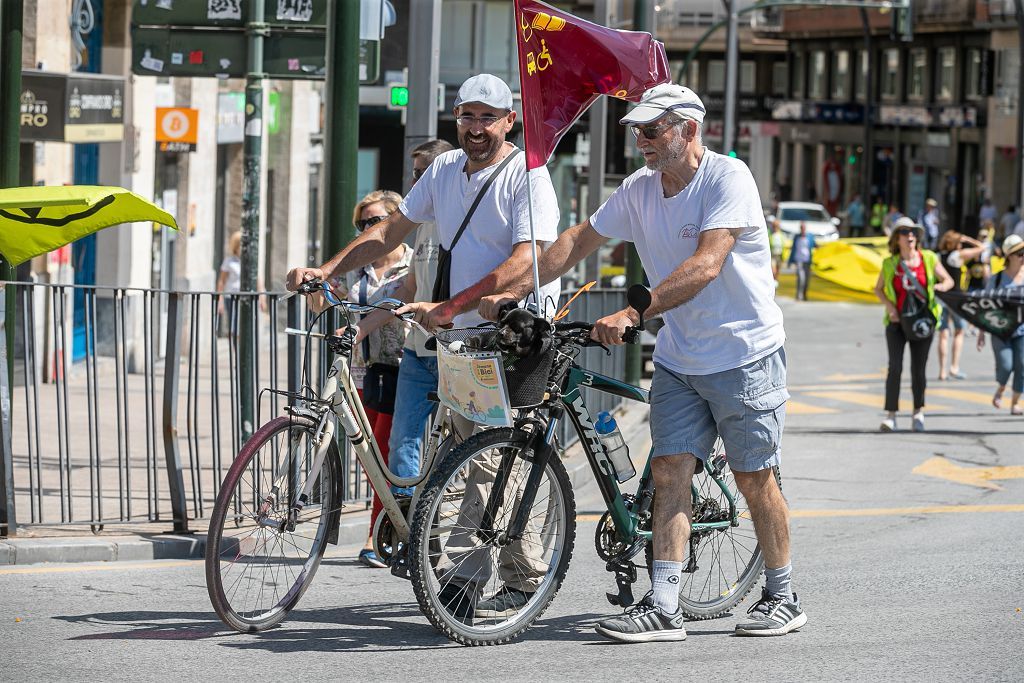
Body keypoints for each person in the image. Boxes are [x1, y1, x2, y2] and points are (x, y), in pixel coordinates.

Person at [482, 83, 803, 642]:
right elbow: (578, 240)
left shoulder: (728, 179)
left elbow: (706, 265)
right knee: (669, 471)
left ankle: (783, 594)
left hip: (743, 353)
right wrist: (517, 288)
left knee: (754, 477)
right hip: (681, 357)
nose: (641, 141)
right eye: (637, 130)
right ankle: (664, 606)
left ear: (689, 130)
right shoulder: (638, 189)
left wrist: (633, 313)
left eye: (652, 130)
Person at [287, 74, 559, 613]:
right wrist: (326, 268)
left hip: (512, 332)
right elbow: (390, 232)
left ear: (510, 121)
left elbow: (526, 260)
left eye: (488, 117)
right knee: (466, 453)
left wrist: (450, 307)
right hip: (456, 334)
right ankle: (514, 572)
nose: (476, 128)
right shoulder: (442, 169)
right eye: (466, 116)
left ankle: (470, 578)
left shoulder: (528, 175)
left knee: (488, 457)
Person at [310, 190, 412, 568]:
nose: (367, 229)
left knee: (383, 452)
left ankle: (378, 535)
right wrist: (319, 289)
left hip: (403, 368)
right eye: (362, 223)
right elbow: (330, 304)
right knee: (369, 456)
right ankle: (395, 524)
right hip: (363, 370)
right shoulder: (359, 270)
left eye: (374, 222)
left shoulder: (413, 267)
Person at [377, 139, 454, 504]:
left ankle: (439, 519)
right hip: (417, 349)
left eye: (423, 173)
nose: (415, 181)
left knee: (458, 444)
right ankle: (408, 523)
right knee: (402, 439)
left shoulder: (458, 220)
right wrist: (360, 325)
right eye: (414, 173)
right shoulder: (422, 224)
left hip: (456, 350)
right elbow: (409, 287)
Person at [873, 217, 954, 433]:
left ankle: (918, 412)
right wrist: (890, 308)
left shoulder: (928, 258)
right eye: (905, 232)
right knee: (895, 368)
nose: (910, 236)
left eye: (914, 232)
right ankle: (891, 416)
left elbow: (948, 280)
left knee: (918, 369)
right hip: (897, 323)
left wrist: (940, 287)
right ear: (896, 239)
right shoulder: (890, 263)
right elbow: (878, 288)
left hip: (922, 322)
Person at [976, 234, 1024, 415]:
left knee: (1022, 365)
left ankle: (1015, 402)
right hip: (1000, 329)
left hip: (1021, 330)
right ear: (1009, 256)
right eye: (1020, 253)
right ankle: (1002, 386)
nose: (1023, 256)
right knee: (1006, 365)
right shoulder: (996, 280)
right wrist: (981, 332)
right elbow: (984, 306)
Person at [935, 229, 986, 380]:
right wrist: (968, 239)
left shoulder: (938, 256)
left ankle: (942, 371)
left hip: (940, 297)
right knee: (959, 331)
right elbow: (982, 248)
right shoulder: (957, 256)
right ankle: (954, 367)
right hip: (956, 298)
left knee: (943, 334)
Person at [215, 231, 242, 337]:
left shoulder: (247, 260)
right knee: (234, 326)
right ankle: (236, 350)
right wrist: (220, 300)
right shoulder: (229, 261)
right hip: (231, 297)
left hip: (245, 297)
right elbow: (221, 281)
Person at [788, 222, 815, 301]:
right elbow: (793, 249)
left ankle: (804, 295)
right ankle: (798, 295)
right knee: (801, 278)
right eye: (801, 228)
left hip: (807, 261)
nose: (802, 229)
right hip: (799, 260)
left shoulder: (809, 237)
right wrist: (790, 261)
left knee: (807, 279)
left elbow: (814, 245)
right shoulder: (797, 237)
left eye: (804, 228)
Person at [769, 218, 784, 288]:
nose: (775, 227)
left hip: (779, 255)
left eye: (776, 226)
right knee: (773, 271)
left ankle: (775, 283)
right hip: (773, 255)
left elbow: (783, 246)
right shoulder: (771, 235)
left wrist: (783, 257)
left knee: (777, 271)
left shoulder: (781, 235)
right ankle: (772, 283)